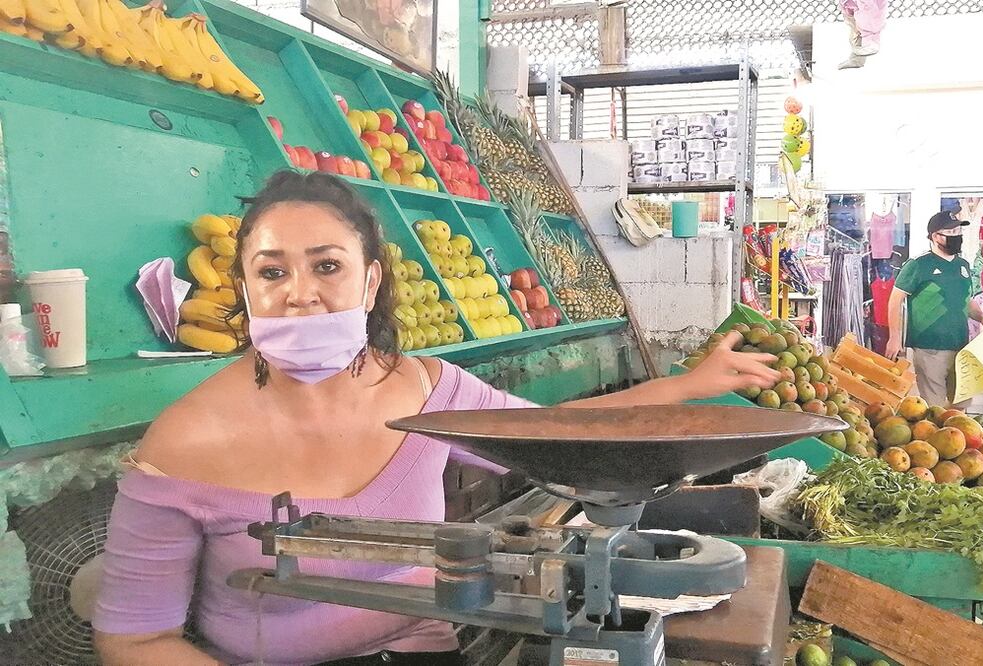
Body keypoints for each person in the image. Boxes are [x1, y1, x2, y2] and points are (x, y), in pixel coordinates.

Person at [91, 171, 783, 666]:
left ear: (369, 282)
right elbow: (133, 638)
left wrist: (690, 385)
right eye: (272, 272)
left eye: (327, 266)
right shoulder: (185, 441)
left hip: (427, 649)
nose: (300, 293)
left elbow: (555, 432)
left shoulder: (425, 389)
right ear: (244, 287)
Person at [885, 211, 983, 407]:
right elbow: (895, 300)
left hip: (961, 347)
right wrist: (894, 337)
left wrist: (982, 317)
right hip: (929, 346)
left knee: (960, 404)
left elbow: (967, 300)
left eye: (958, 230)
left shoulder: (963, 265)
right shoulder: (918, 265)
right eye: (950, 232)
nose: (956, 235)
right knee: (933, 406)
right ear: (935, 236)